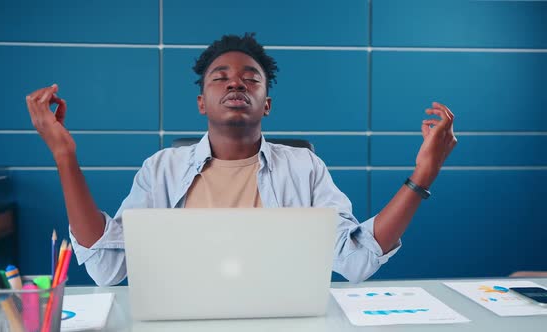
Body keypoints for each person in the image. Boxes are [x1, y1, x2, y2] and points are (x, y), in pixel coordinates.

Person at [25, 33, 456, 286]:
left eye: (251, 79)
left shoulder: (304, 168)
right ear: (201, 102)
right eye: (221, 78)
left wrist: (423, 174)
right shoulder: (161, 169)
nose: (237, 84)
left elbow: (355, 259)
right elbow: (106, 264)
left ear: (266, 104)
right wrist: (65, 156)